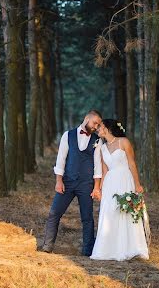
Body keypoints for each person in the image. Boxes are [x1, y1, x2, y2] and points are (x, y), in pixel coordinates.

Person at [41, 110, 103, 256]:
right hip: (67, 182)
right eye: (95, 123)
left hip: (86, 185)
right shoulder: (67, 135)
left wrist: (96, 187)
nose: (96, 126)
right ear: (87, 118)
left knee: (87, 218)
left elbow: (97, 165)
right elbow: (61, 159)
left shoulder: (97, 140)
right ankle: (47, 246)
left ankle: (88, 251)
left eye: (98, 125)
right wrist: (58, 181)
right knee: (54, 213)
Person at [91, 119, 149, 261]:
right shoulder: (102, 147)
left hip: (124, 179)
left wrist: (137, 184)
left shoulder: (124, 142)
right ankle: (109, 249)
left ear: (108, 128)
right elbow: (104, 171)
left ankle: (131, 248)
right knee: (110, 211)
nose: (98, 129)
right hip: (110, 182)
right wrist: (100, 189)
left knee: (126, 212)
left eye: (101, 126)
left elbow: (132, 163)